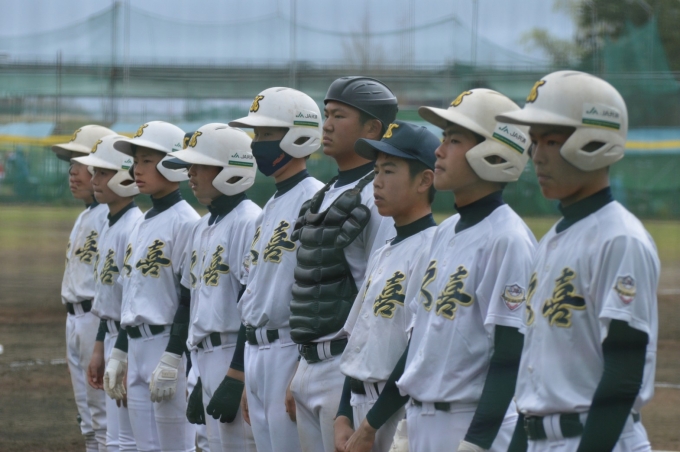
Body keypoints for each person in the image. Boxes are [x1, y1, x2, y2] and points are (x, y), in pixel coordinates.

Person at [344, 88, 537, 452]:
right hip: (423, 420)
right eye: (444, 138)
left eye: (454, 140)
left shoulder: (508, 239)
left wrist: (476, 443)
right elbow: (420, 342)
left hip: (469, 423)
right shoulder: (446, 232)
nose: (439, 151)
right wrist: (405, 426)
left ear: (494, 151)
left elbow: (510, 357)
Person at [496, 70, 660, 452]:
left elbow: (623, 375)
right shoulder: (552, 239)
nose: (537, 156)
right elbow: (531, 385)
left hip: (597, 439)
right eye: (534, 142)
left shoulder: (620, 238)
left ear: (595, 141)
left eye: (551, 141)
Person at [205, 87, 324, 452]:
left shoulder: (316, 198)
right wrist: (244, 371)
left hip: (290, 349)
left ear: (298, 135)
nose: (257, 144)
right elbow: (252, 292)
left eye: (268, 134)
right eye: (256, 134)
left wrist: (303, 368)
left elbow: (323, 289)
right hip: (258, 352)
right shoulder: (271, 204)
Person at [288, 76, 398, 452]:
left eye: (339, 115)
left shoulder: (377, 195)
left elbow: (377, 293)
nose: (328, 125)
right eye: (327, 114)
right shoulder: (327, 192)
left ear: (372, 128)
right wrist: (299, 371)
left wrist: (348, 400)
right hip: (308, 360)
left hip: (344, 366)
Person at [333, 120, 440, 452]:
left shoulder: (434, 250)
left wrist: (370, 425)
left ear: (424, 180)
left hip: (397, 412)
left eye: (389, 171)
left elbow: (418, 350)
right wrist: (342, 414)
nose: (377, 182)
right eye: (376, 171)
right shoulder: (384, 251)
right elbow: (358, 341)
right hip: (362, 407)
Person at [160, 123, 260, 451]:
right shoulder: (201, 226)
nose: (190, 173)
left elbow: (251, 307)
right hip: (205, 356)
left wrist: (236, 374)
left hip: (235, 354)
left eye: (199, 165)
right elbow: (193, 303)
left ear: (229, 169)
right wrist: (200, 374)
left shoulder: (249, 220)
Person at [103, 121, 200, 452]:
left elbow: (189, 297)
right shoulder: (142, 221)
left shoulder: (186, 221)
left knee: (177, 448)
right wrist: (119, 353)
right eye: (135, 161)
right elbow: (131, 298)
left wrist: (173, 356)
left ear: (172, 163)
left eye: (147, 160)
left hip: (167, 346)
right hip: (136, 346)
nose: (137, 169)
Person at [52, 124, 117, 452]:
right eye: (72, 164)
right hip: (75, 319)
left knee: (102, 415)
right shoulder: (86, 216)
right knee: (89, 419)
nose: (73, 172)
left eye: (80, 162)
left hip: (95, 318)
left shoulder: (109, 216)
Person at [76, 135, 142, 452]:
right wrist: (100, 347)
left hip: (131, 342)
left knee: (130, 441)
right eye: (95, 173)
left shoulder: (133, 226)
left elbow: (132, 302)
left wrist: (122, 355)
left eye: (103, 173)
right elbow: (109, 298)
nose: (94, 180)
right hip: (113, 336)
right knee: (116, 440)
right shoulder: (109, 222)